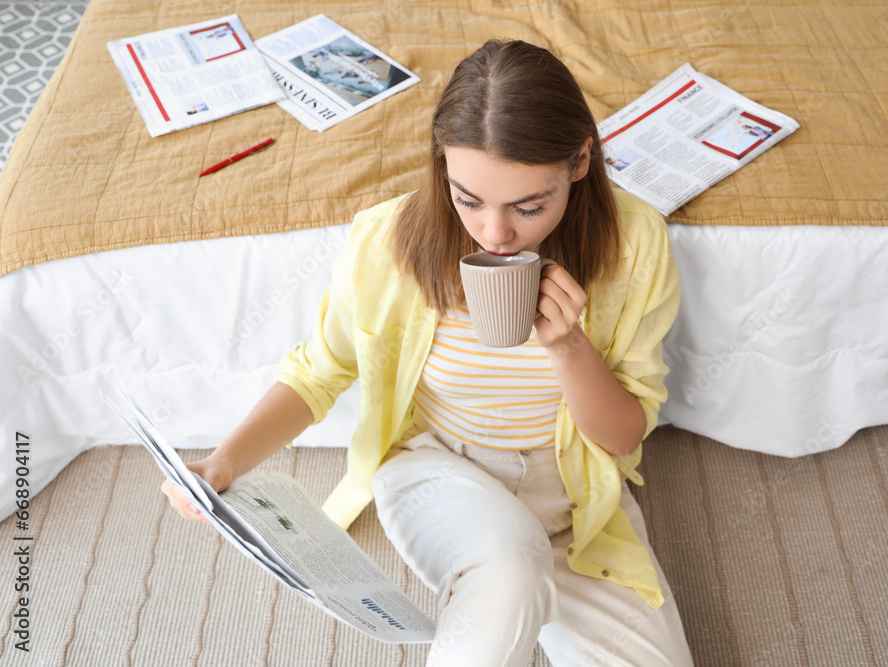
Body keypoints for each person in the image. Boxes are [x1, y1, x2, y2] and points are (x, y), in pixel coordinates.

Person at [162, 39, 693, 666]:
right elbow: (319, 372)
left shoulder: (634, 245)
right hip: (438, 468)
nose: (495, 235)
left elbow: (623, 437)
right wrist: (222, 465)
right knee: (509, 571)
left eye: (528, 206)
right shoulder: (386, 243)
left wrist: (570, 347)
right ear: (442, 166)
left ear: (580, 162)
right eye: (468, 200)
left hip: (575, 495)